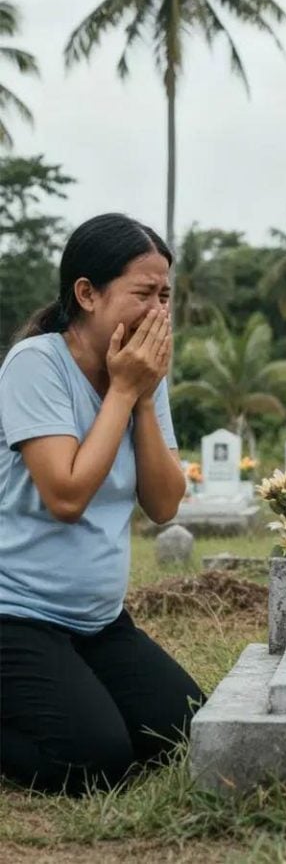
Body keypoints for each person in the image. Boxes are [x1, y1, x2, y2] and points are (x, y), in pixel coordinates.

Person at [0, 213, 205, 795]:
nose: (159, 311)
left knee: (183, 730)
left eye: (166, 296)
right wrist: (121, 389)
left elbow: (164, 504)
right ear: (87, 294)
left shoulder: (145, 377)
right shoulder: (36, 364)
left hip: (96, 621)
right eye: (144, 294)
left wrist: (140, 397)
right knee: (94, 761)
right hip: (15, 615)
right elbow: (66, 495)